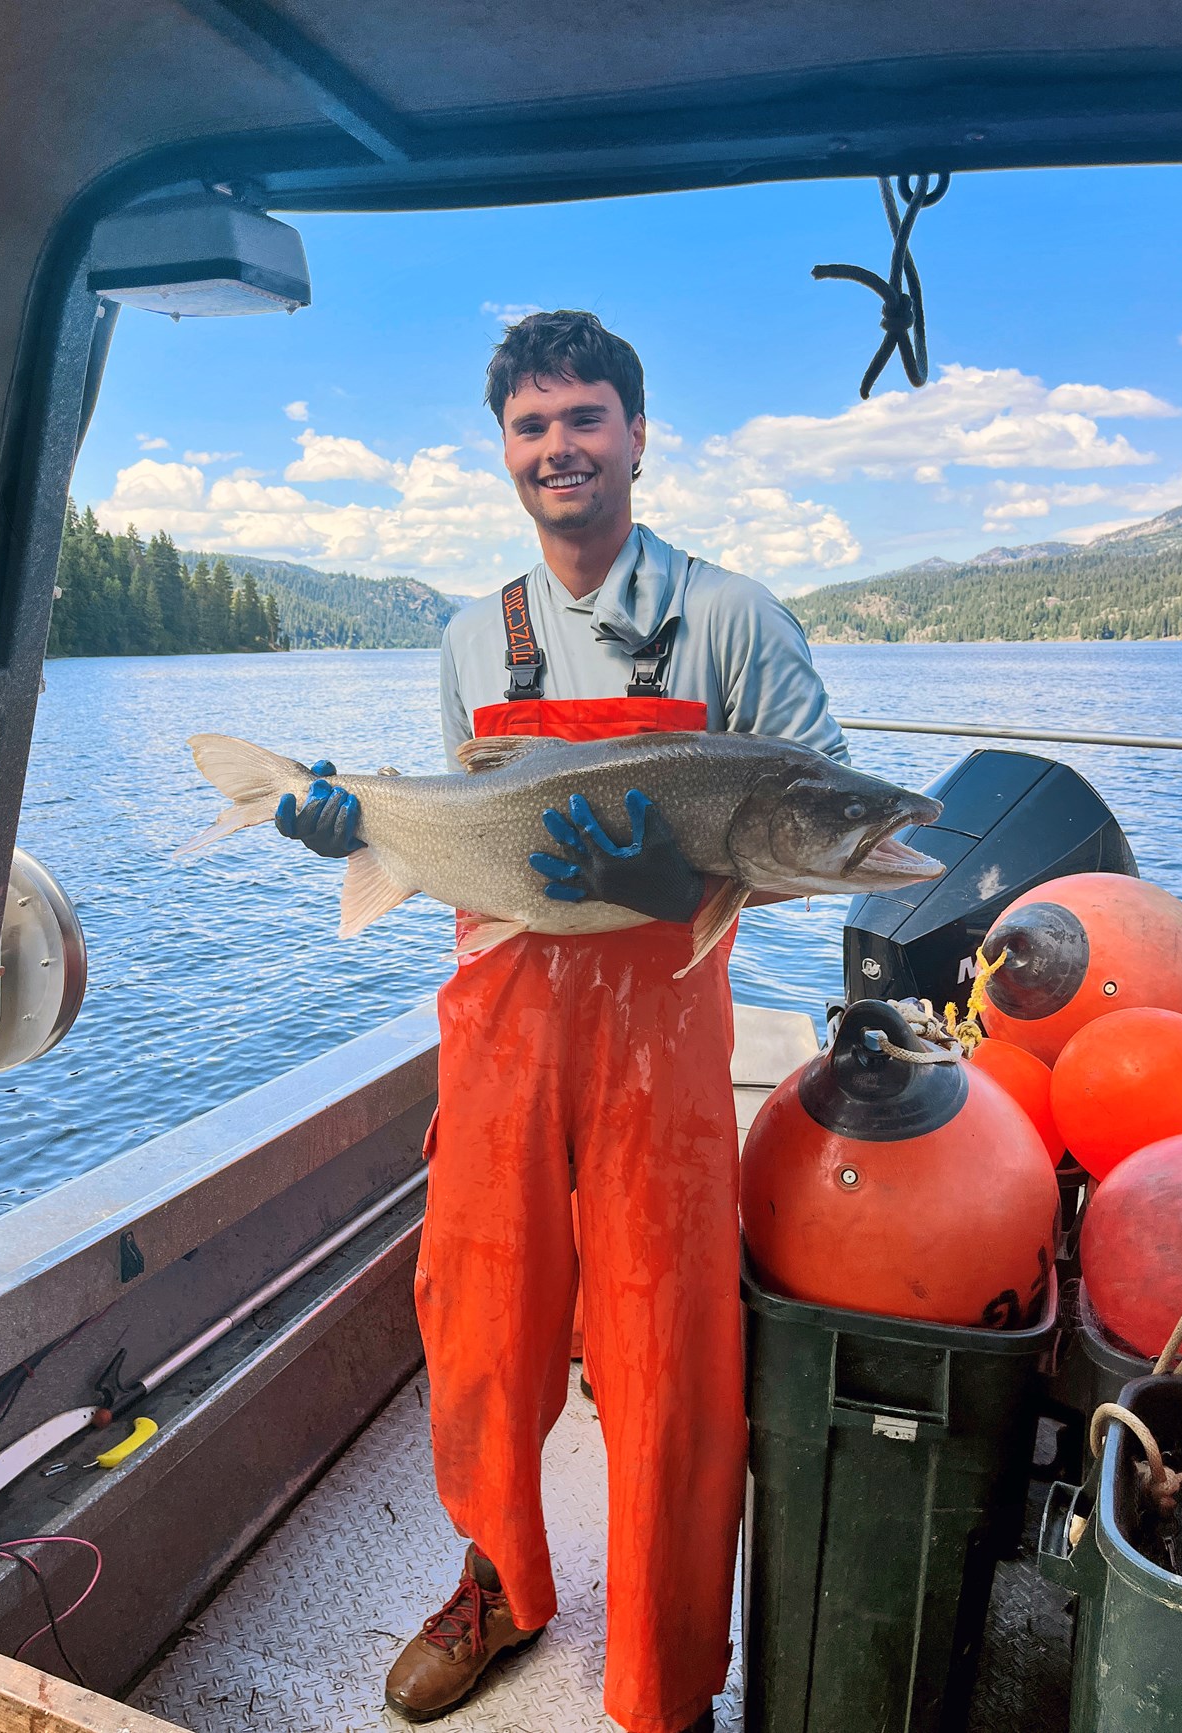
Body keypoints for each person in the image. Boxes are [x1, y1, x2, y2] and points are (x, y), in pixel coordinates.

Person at [276, 311, 847, 1733]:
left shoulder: (737, 621)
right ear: (506, 453)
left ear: (638, 435)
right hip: (502, 1026)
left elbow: (813, 823)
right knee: (478, 1325)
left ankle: (661, 1675)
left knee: (669, 1355)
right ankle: (503, 1584)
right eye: (532, 427)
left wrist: (683, 879)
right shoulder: (476, 639)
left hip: (663, 1036)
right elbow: (466, 848)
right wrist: (367, 837)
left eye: (584, 417)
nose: (559, 447)